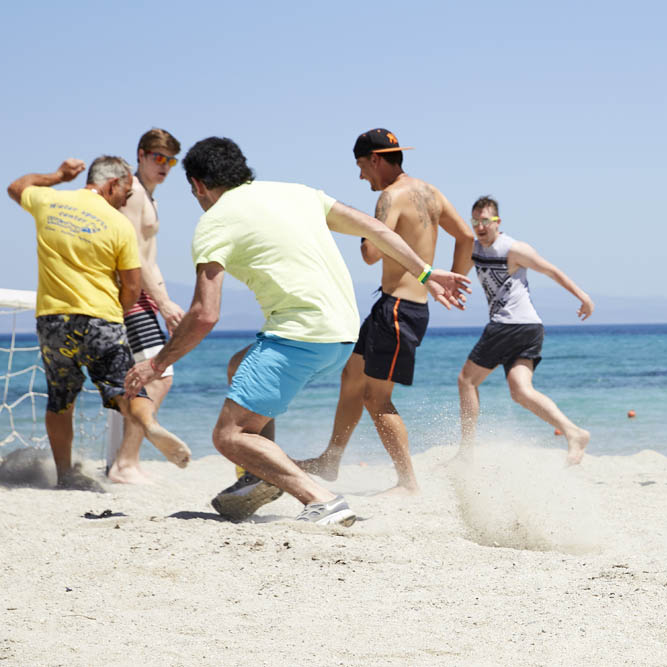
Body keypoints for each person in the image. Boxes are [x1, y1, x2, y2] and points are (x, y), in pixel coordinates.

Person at [124, 137, 469, 524]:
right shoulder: (298, 193)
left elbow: (205, 314)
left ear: (199, 185)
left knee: (229, 435)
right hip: (342, 332)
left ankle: (320, 497)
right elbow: (375, 229)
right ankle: (258, 476)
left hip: (299, 334)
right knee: (240, 366)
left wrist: (157, 363)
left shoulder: (214, 221)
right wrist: (426, 271)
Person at [299, 128, 475, 494]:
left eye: (361, 166)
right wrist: (455, 278)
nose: (361, 175)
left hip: (397, 308)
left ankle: (408, 482)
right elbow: (467, 237)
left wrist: (363, 227)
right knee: (352, 375)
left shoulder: (389, 196)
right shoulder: (431, 192)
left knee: (376, 398)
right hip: (399, 306)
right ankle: (331, 459)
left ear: (376, 159)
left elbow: (370, 254)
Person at [7, 156, 191, 492]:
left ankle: (64, 474)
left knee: (60, 399)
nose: (127, 198)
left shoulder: (50, 201)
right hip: (101, 319)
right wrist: (114, 315)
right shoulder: (119, 225)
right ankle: (149, 424)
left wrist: (58, 175)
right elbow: (133, 287)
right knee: (127, 388)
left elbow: (16, 187)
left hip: (53, 320)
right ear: (111, 184)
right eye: (126, 191)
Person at [456, 196, 593, 464]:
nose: (480, 227)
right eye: (476, 221)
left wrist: (583, 296)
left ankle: (465, 452)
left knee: (466, 381)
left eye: (486, 221)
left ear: (497, 222)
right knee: (520, 391)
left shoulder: (513, 249)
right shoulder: (473, 249)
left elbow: (551, 271)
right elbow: (457, 273)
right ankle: (574, 433)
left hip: (511, 324)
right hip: (529, 328)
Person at [107, 128, 186, 484]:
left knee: (143, 375)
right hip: (130, 294)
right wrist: (164, 302)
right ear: (140, 154)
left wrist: (163, 300)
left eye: (171, 160)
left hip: (142, 295)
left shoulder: (148, 197)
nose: (165, 166)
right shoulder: (135, 194)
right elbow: (134, 255)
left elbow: (149, 259)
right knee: (157, 374)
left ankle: (124, 461)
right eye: (159, 157)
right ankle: (125, 463)